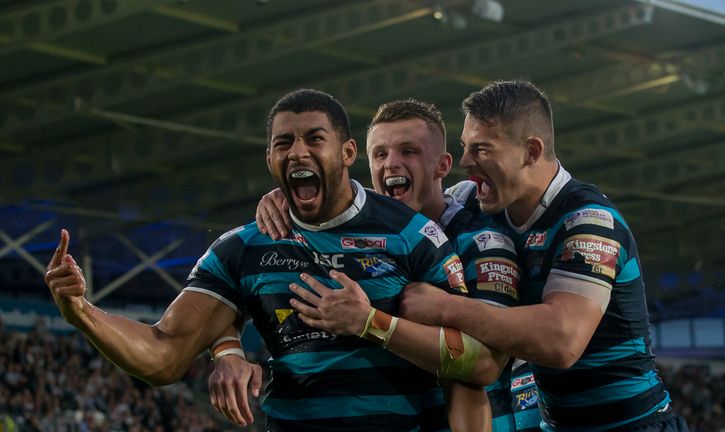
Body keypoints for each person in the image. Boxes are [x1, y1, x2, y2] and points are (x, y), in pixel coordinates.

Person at [43, 89, 504, 432]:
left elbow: (475, 365)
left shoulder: (414, 235)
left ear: (346, 153)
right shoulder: (241, 248)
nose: (298, 151)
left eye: (314, 139)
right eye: (284, 143)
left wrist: (370, 323)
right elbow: (164, 355)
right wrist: (81, 312)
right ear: (269, 158)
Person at [227, 99, 541, 431]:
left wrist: (386, 319)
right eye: (379, 154)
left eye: (409, 151)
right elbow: (221, 292)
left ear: (442, 165)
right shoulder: (360, 239)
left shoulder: (480, 243)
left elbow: (483, 363)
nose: (391, 164)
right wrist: (226, 349)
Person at [400, 79, 689, 431]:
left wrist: (447, 308)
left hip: (631, 424)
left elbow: (561, 341)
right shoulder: (472, 200)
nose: (465, 161)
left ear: (531, 151)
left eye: (482, 149)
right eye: (464, 147)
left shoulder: (588, 220)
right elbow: (415, 213)